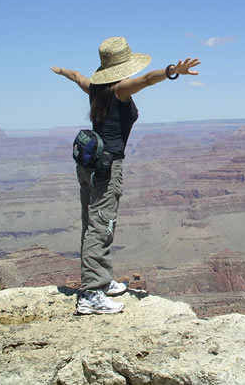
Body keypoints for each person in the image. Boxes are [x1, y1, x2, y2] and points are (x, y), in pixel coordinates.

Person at [51, 37, 200, 314]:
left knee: (92, 222)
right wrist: (171, 72)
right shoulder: (120, 89)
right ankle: (91, 294)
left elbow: (76, 76)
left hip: (88, 165)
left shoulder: (94, 87)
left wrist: (61, 71)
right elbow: (146, 80)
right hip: (107, 168)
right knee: (102, 225)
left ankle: (102, 281)